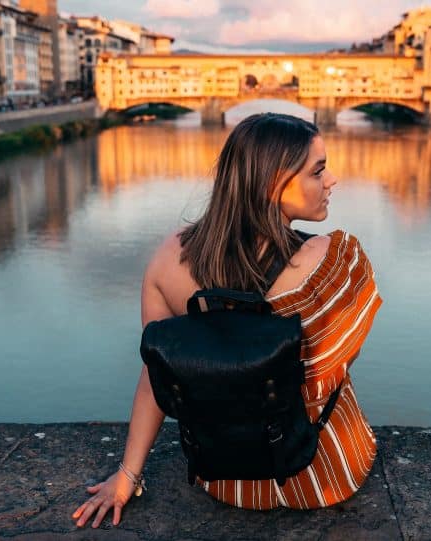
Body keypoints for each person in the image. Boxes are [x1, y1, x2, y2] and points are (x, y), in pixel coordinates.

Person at [72, 113, 382, 528]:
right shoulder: (335, 262)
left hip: (224, 479)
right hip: (324, 475)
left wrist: (127, 475)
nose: (332, 181)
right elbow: (330, 370)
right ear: (273, 182)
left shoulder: (169, 259)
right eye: (318, 171)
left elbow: (158, 371)